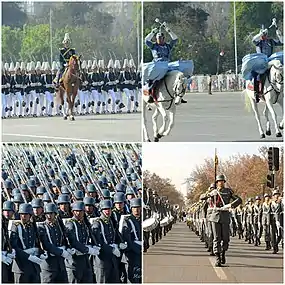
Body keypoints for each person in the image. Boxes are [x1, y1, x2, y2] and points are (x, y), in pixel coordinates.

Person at [145, 25, 178, 103]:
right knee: (154, 80)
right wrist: (152, 32)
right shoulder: (154, 46)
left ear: (163, 38)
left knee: (178, 76)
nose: (159, 40)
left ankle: (179, 95)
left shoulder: (168, 46)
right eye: (158, 38)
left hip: (167, 65)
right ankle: (150, 94)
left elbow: (175, 39)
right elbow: (146, 40)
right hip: (157, 66)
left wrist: (168, 30)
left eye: (161, 38)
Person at [251, 27, 283, 102]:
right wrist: (260, 34)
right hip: (260, 62)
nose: (265, 35)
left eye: (265, 34)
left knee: (279, 71)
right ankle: (257, 93)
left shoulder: (271, 41)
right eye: (263, 34)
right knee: (256, 74)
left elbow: (282, 41)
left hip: (269, 60)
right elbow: (253, 40)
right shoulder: (258, 42)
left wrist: (277, 31)